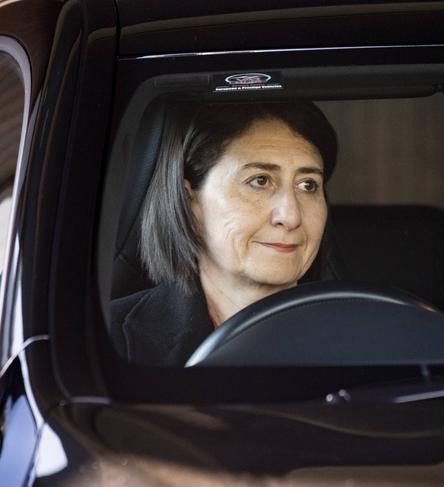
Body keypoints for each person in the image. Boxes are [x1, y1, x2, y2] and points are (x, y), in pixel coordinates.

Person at [110, 102, 337, 366]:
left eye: (308, 185)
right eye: (259, 181)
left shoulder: (365, 333)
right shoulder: (103, 339)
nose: (290, 216)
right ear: (189, 201)